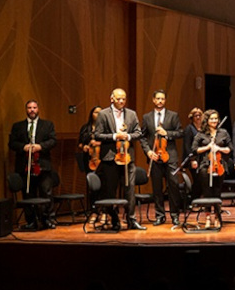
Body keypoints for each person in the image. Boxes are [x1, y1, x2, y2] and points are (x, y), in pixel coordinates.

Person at [94, 88, 144, 230]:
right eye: (118, 99)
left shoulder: (132, 114)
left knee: (130, 189)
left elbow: (138, 133)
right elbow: (98, 135)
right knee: (110, 190)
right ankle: (114, 218)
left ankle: (131, 219)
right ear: (112, 99)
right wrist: (115, 136)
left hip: (128, 158)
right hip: (110, 158)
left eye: (123, 98)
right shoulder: (103, 114)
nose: (121, 101)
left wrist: (127, 136)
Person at [8, 100, 58, 229]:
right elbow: (12, 143)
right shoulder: (17, 126)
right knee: (28, 193)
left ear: (38, 109)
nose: (32, 110)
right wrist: (23, 147)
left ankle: (47, 219)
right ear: (26, 110)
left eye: (34, 107)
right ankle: (31, 221)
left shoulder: (47, 125)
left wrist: (40, 146)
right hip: (25, 166)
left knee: (46, 192)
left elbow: (53, 140)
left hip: (43, 165)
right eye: (29, 108)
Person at [139, 89, 184, 226]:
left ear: (165, 100)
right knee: (157, 188)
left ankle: (175, 215)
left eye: (162, 99)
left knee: (173, 186)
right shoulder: (147, 117)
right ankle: (160, 215)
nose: (160, 101)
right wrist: (147, 152)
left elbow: (180, 132)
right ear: (153, 100)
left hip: (170, 156)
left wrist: (167, 133)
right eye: (158, 99)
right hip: (154, 156)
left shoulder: (173, 115)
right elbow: (142, 137)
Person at [191, 109, 231, 228]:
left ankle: (218, 217)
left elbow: (230, 148)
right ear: (207, 121)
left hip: (219, 165)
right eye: (212, 119)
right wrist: (208, 147)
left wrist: (219, 148)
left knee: (217, 192)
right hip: (205, 166)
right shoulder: (201, 134)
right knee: (207, 193)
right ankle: (208, 217)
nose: (214, 121)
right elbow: (194, 149)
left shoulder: (223, 132)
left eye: (216, 118)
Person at [182, 108, 203, 197]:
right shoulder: (189, 129)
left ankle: (198, 201)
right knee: (197, 180)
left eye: (199, 115)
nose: (198, 117)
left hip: (202, 158)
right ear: (192, 117)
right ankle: (193, 201)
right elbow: (187, 146)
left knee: (202, 180)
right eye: (195, 116)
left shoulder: (203, 128)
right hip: (193, 159)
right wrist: (192, 160)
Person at [78, 105, 103, 174]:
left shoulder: (106, 128)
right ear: (91, 114)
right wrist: (84, 147)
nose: (98, 115)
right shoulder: (85, 128)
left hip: (102, 156)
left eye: (100, 113)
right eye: (96, 112)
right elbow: (80, 143)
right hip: (89, 157)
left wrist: (97, 143)